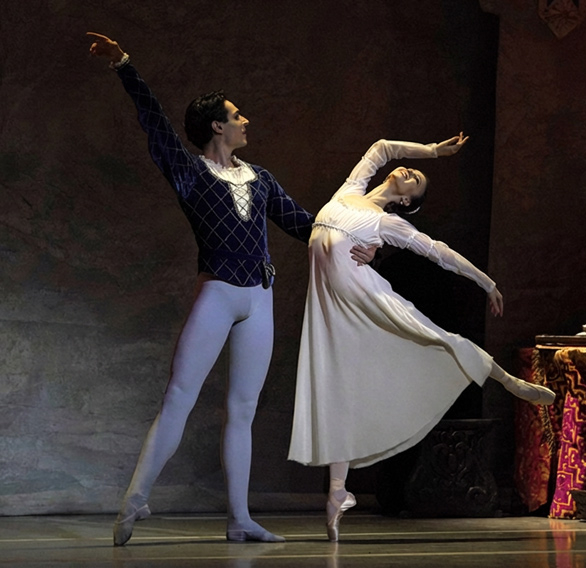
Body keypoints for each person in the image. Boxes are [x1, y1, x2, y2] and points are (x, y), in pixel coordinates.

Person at [86, 32, 375, 545]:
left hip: (259, 298)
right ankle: (136, 496)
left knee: (242, 411)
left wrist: (356, 242)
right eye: (237, 115)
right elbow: (155, 123)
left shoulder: (261, 179)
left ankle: (240, 518)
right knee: (179, 395)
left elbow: (305, 224)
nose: (246, 121)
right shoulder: (190, 173)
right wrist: (124, 65)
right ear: (217, 125)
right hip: (218, 294)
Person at [287, 135, 555, 541]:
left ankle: (504, 378)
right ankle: (338, 492)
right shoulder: (349, 190)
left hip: (365, 295)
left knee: (434, 337)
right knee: (337, 386)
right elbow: (381, 148)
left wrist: (486, 282)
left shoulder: (387, 223)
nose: (411, 173)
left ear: (405, 201)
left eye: (416, 181)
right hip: (332, 304)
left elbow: (438, 252)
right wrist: (432, 152)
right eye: (414, 172)